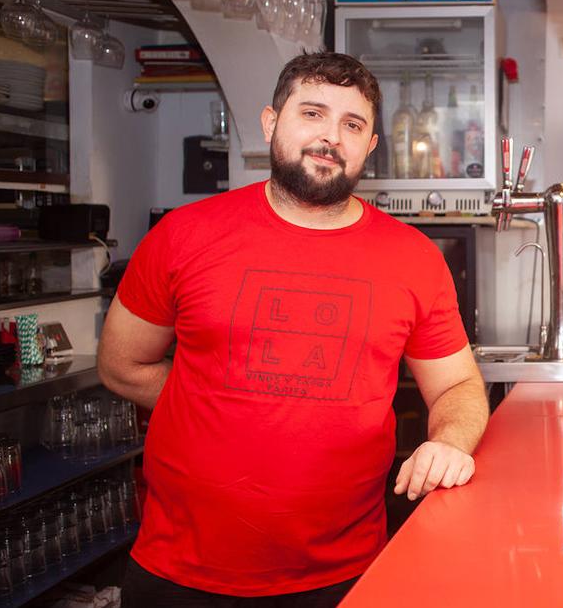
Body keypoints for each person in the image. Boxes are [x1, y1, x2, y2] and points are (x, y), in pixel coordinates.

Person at [99, 52, 489, 606]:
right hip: (179, 570)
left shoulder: (415, 259)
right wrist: (222, 405)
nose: (330, 137)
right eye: (312, 113)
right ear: (270, 122)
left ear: (370, 146)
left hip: (346, 572)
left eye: (352, 125)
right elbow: (121, 366)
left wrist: (449, 443)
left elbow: (458, 386)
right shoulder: (182, 236)